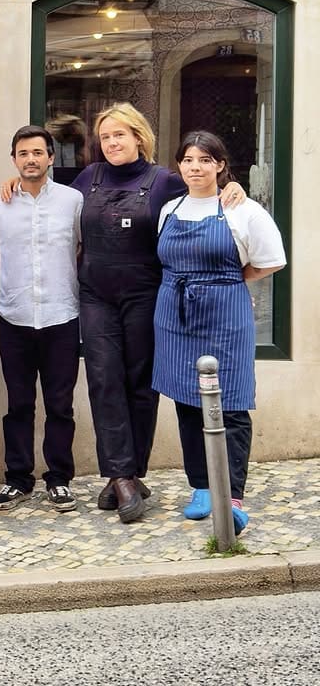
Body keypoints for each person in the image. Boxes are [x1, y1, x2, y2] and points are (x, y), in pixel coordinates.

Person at [3, 102, 243, 523]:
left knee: (140, 385)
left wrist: (231, 189)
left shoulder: (165, 181)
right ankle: (121, 476)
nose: (112, 142)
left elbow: (200, 197)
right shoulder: (87, 178)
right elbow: (49, 201)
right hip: (95, 296)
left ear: (138, 138)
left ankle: (130, 474)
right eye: (106, 136)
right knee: (103, 381)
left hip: (146, 295)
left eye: (120, 134)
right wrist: (15, 185)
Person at [153, 131, 285, 535]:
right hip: (174, 316)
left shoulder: (243, 210)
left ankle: (232, 496)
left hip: (225, 314)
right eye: (189, 160)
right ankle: (202, 488)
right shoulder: (169, 208)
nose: (196, 167)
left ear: (220, 165)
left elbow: (271, 261)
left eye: (205, 160)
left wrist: (225, 281)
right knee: (188, 403)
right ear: (180, 166)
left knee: (231, 405)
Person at [0, 126, 83, 514]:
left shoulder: (73, 201)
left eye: (38, 153)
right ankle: (17, 479)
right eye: (23, 153)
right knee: (18, 404)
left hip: (61, 315)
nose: (31, 159)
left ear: (51, 158)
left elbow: (79, 247)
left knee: (60, 405)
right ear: (14, 159)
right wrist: (15, 281)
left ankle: (59, 479)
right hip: (16, 317)